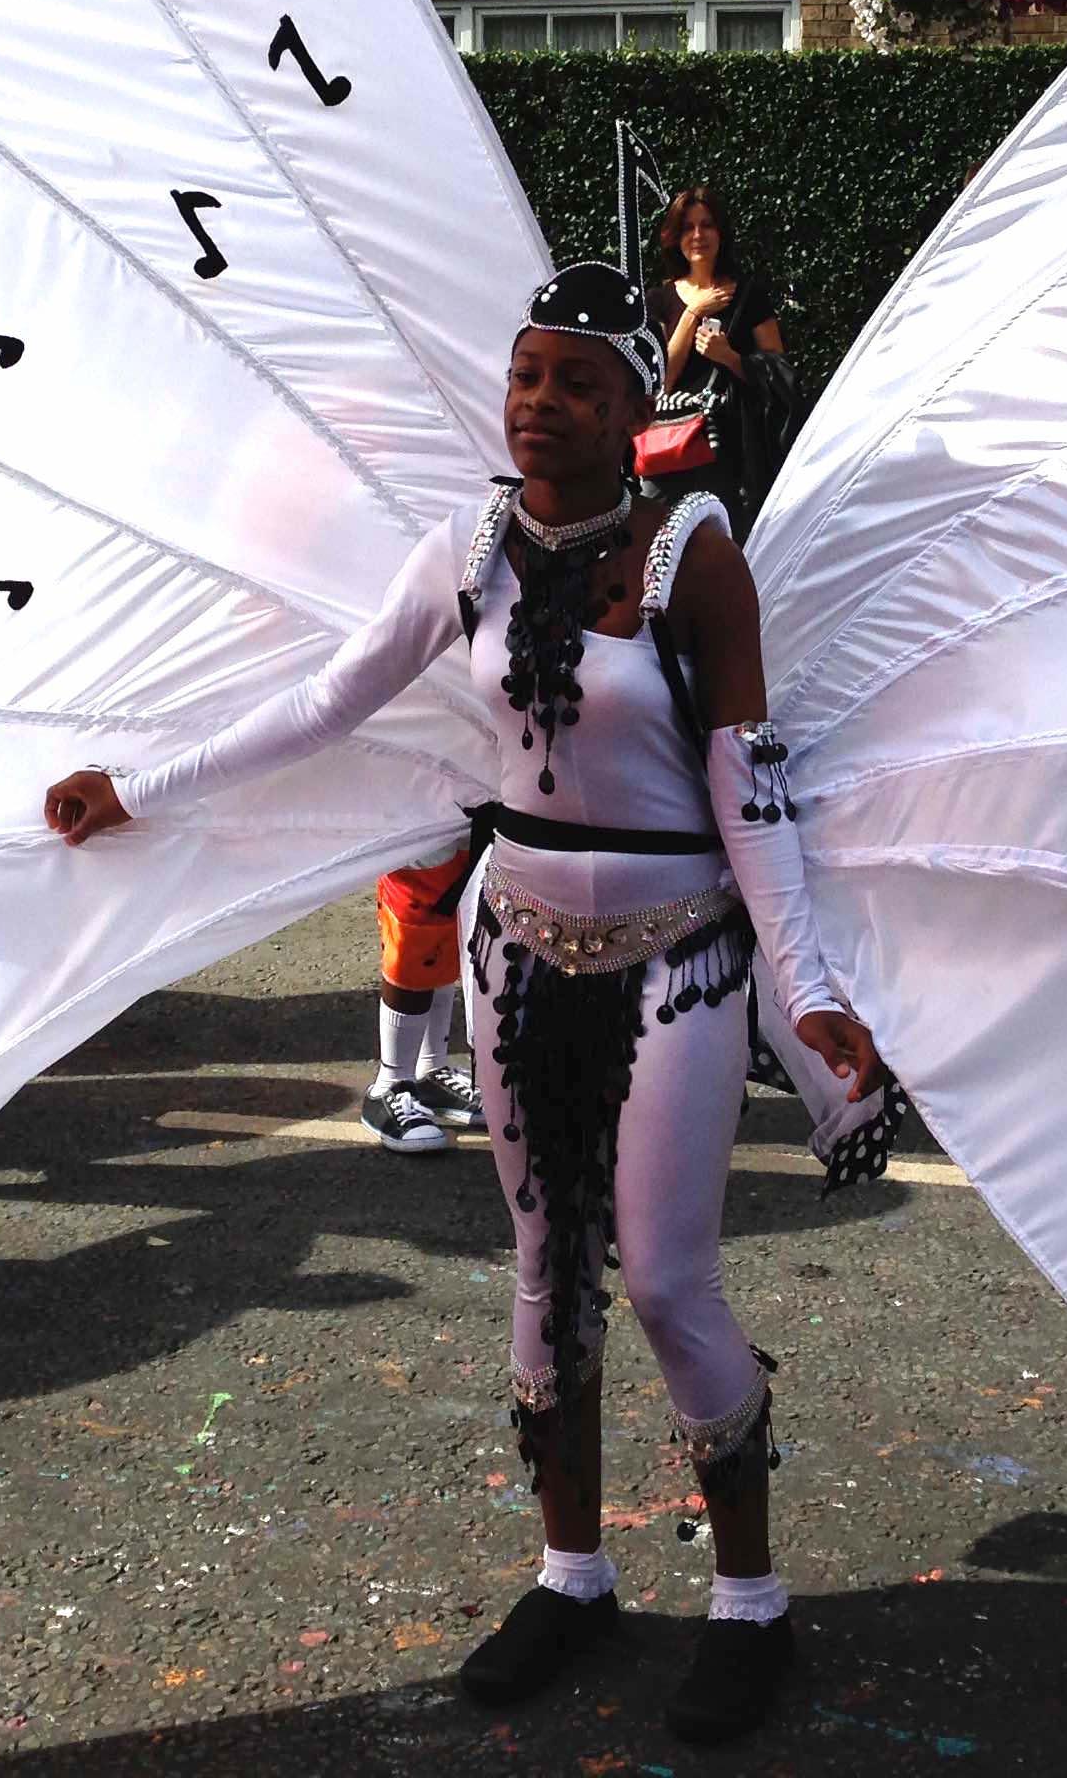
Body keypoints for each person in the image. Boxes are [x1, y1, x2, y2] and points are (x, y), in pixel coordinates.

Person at [46, 264, 888, 1746]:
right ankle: (574, 1577)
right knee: (542, 1266)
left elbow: (750, 789)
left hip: (679, 955)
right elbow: (326, 702)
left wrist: (807, 992)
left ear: (639, 411)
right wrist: (140, 784)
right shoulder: (471, 543)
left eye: (576, 382)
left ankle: (750, 1604)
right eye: (523, 376)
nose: (540, 402)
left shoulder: (695, 550)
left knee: (670, 1282)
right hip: (514, 950)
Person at [644, 185, 798, 539]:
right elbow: (660, 381)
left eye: (707, 225)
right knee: (658, 539)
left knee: (727, 540)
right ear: (675, 237)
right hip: (669, 445)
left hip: (731, 448)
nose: (698, 235)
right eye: (687, 227)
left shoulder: (747, 294)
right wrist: (694, 313)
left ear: (721, 232)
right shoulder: (659, 299)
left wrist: (729, 358)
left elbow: (780, 375)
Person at [361, 848, 486, 1152]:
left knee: (461, 920)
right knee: (419, 922)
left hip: (476, 804)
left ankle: (431, 1071)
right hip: (420, 810)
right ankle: (389, 1085)